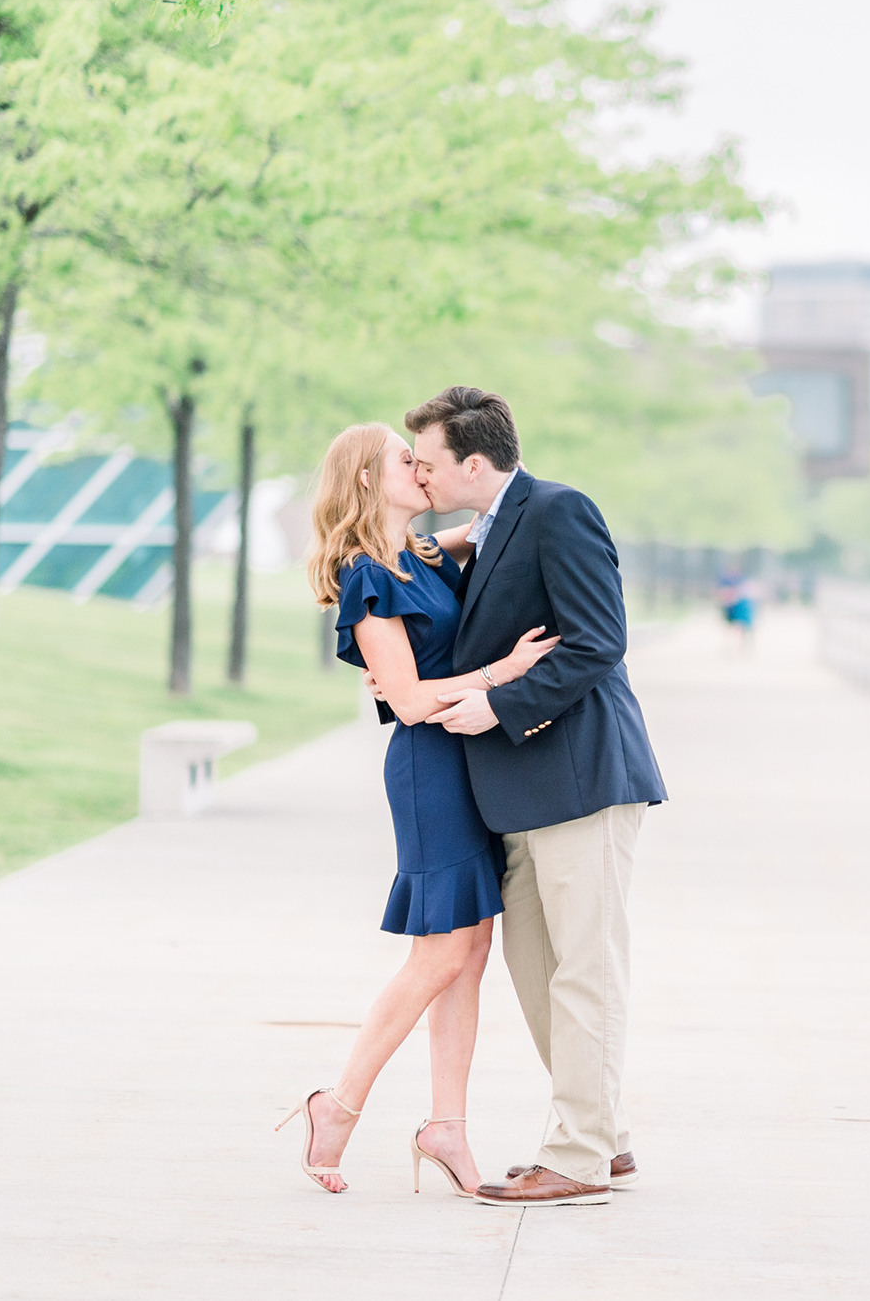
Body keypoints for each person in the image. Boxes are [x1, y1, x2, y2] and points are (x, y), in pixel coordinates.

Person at [278, 423, 559, 1198]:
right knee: (438, 955)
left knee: (469, 956)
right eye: (408, 459)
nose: (423, 467)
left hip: (473, 762)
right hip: (430, 770)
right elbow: (403, 700)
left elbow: (507, 502)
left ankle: (447, 1127)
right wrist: (504, 671)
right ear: (368, 479)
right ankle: (336, 1106)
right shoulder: (367, 576)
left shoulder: (431, 554)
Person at [407, 386, 668, 1208]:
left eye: (428, 461)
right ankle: (607, 1137)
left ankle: (580, 1154)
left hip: (581, 775)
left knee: (584, 972)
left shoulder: (560, 511)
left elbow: (599, 640)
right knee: (537, 972)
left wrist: (500, 704)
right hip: (516, 792)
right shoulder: (479, 531)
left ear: (473, 463)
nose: (417, 473)